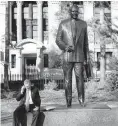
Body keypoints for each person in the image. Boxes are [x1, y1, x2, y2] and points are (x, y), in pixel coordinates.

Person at [56, 4, 89, 107]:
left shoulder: (83, 24)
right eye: (73, 11)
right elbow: (58, 39)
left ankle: (81, 100)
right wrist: (65, 47)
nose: (75, 13)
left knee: (80, 79)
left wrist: (86, 58)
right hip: (67, 56)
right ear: (70, 12)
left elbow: (86, 43)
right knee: (67, 80)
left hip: (79, 56)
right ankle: (68, 101)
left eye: (76, 12)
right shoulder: (63, 24)